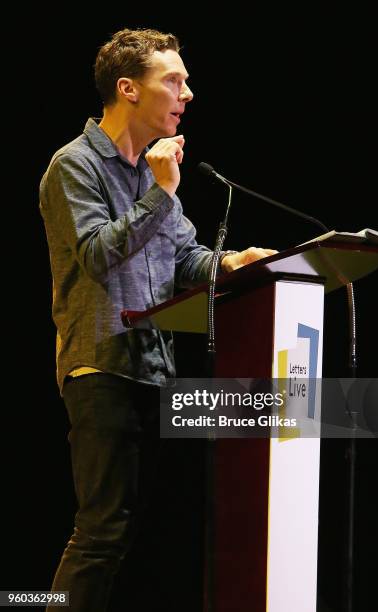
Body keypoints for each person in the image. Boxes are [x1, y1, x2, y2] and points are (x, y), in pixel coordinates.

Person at [39, 28, 275, 611]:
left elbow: (183, 258)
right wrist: (163, 194)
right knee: (102, 531)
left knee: (142, 536)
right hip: (103, 368)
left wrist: (231, 261)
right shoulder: (73, 166)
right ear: (128, 89)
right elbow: (97, 254)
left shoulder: (150, 174)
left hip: (155, 369)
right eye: (174, 80)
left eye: (186, 81)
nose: (187, 93)